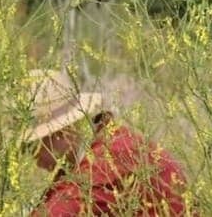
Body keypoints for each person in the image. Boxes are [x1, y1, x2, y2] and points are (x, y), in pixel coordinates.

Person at [23, 69, 189, 216]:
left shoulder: (111, 158)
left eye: (33, 147)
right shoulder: (107, 141)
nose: (34, 158)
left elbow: (60, 209)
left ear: (63, 132)